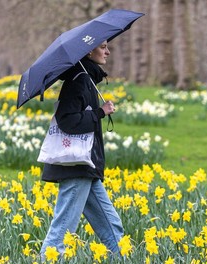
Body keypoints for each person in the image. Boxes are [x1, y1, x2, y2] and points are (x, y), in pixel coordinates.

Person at [40, 40, 124, 260]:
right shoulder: (78, 81)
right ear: (89, 50)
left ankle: (126, 258)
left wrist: (100, 111)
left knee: (112, 226)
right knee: (62, 233)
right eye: (103, 46)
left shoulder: (86, 79)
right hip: (76, 166)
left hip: (86, 167)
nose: (107, 51)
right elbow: (67, 120)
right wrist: (100, 113)